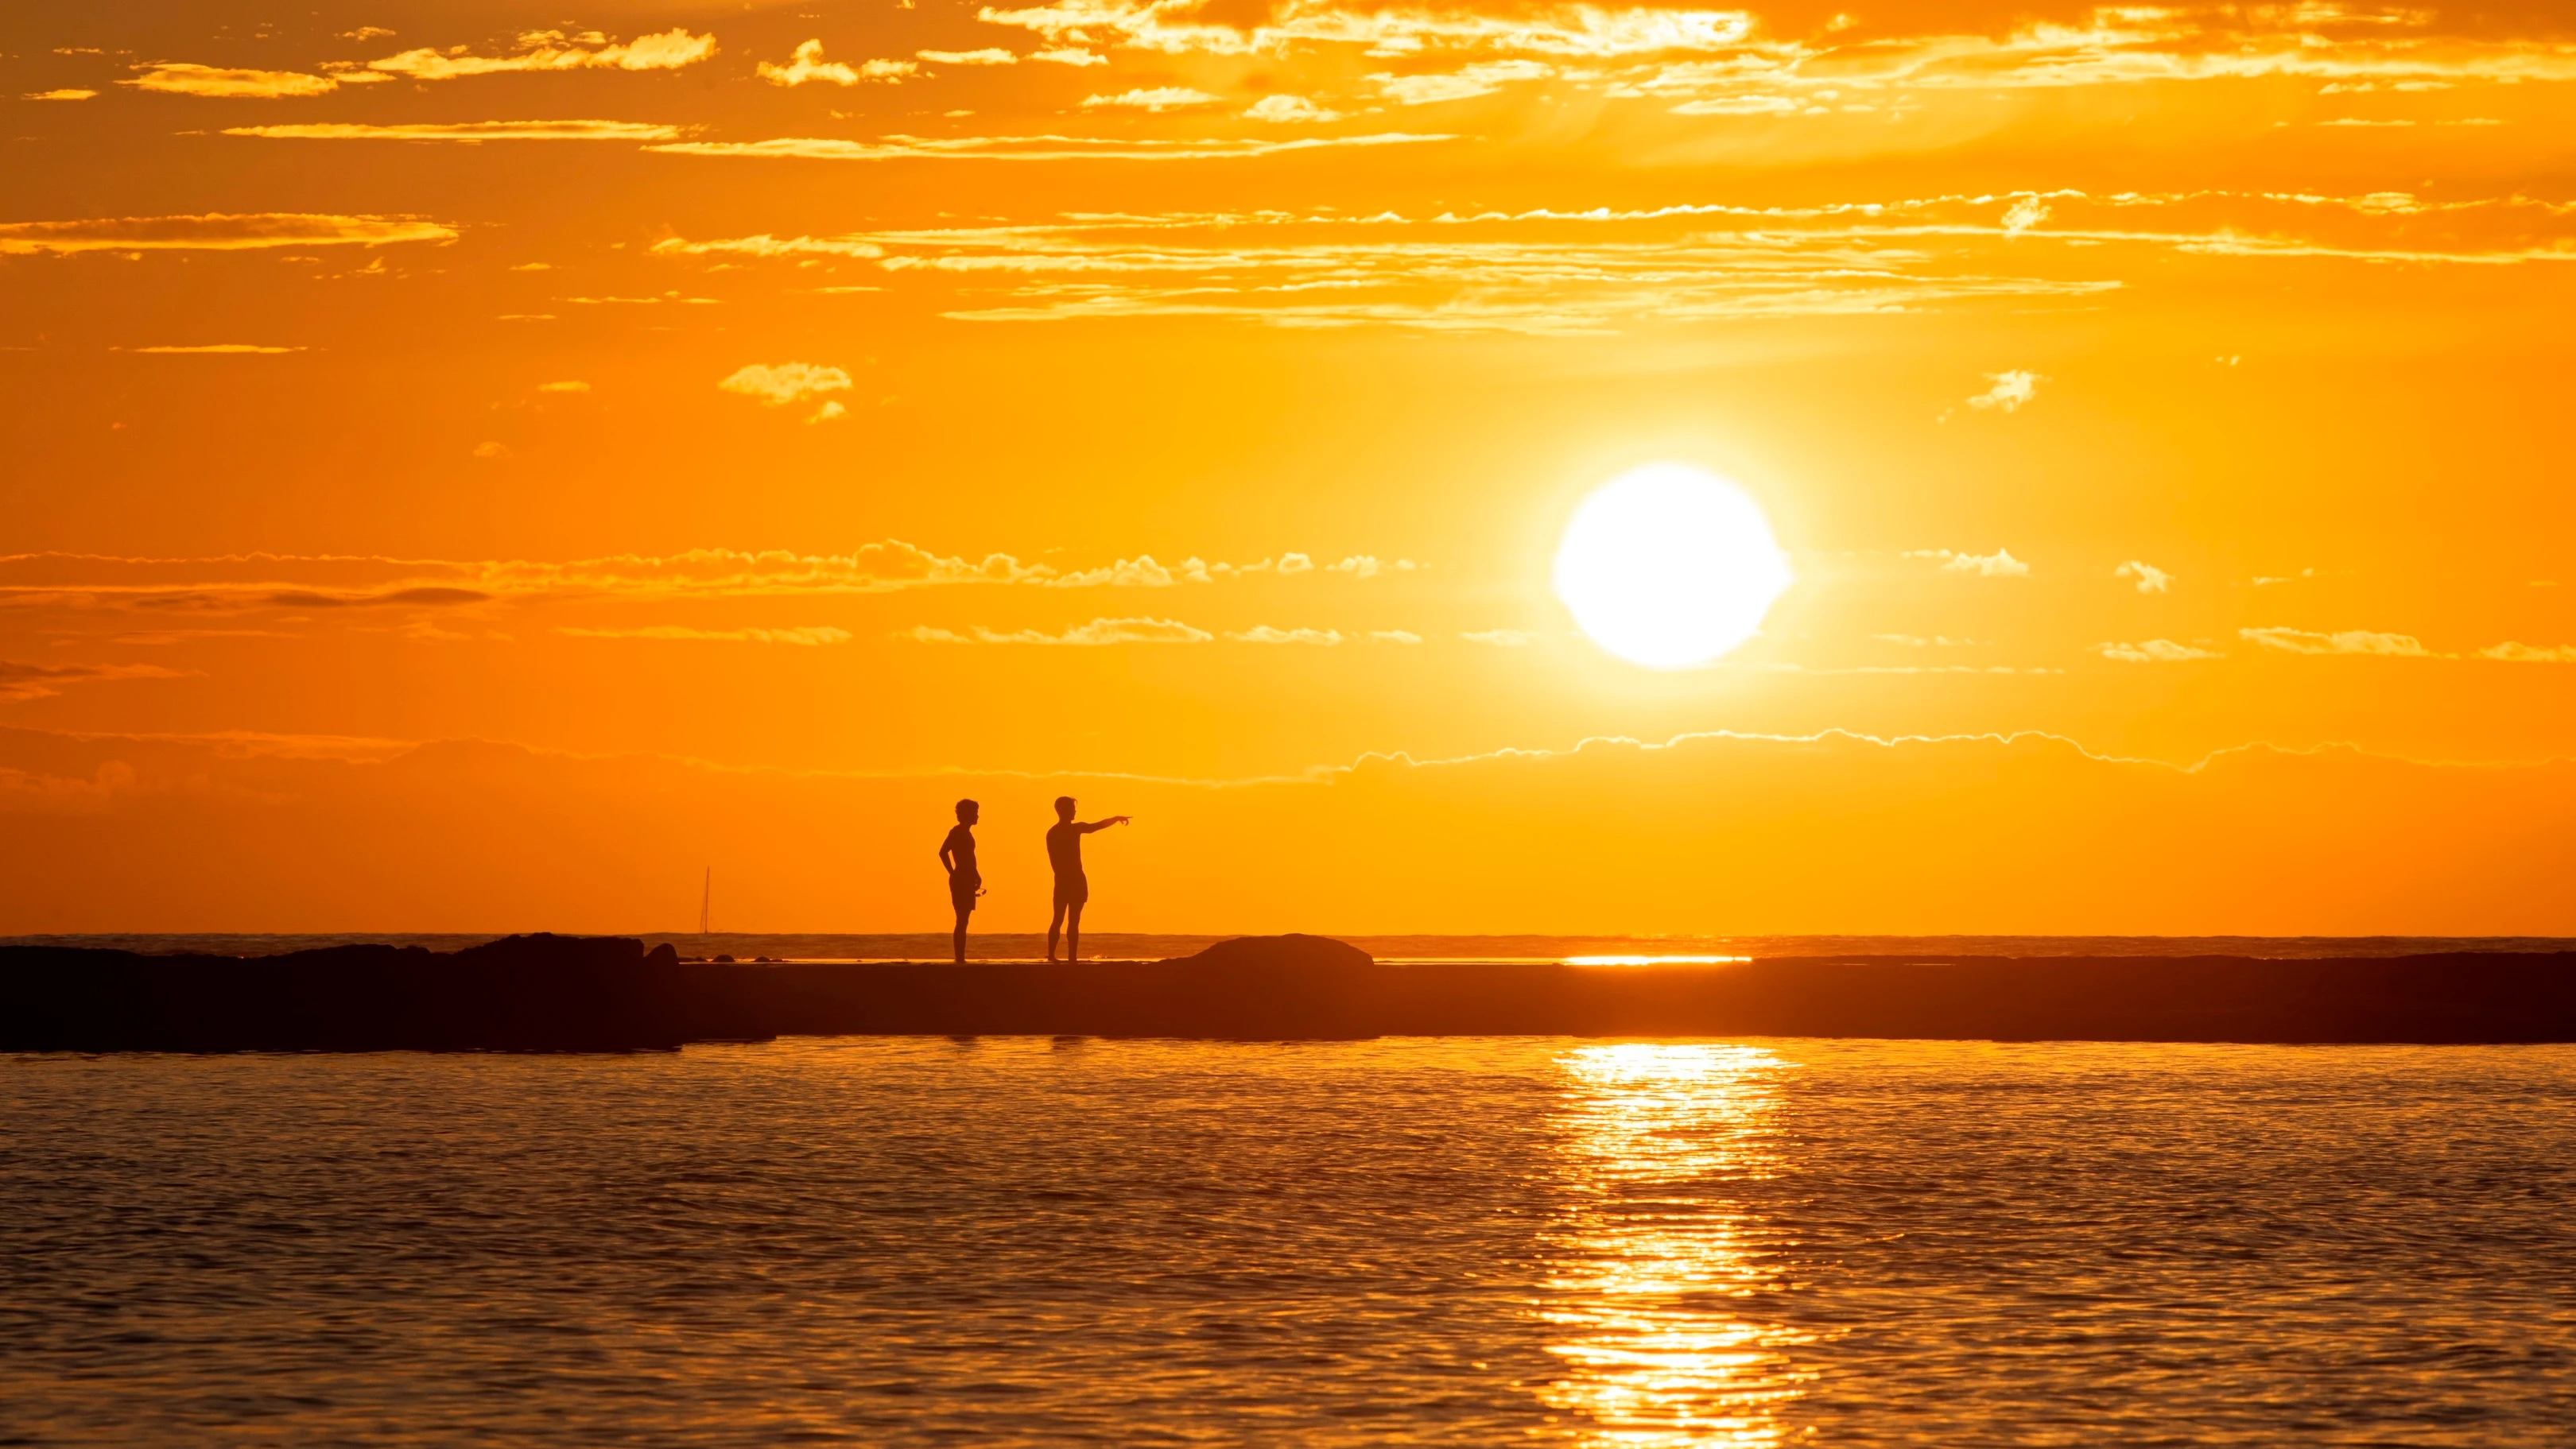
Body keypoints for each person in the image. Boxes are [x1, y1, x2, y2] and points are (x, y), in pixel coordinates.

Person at [1045, 796, 1129, 963]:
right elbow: (1095, 827)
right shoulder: (1072, 829)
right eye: (1072, 808)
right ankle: (1070, 957)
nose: (1075, 811)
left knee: (1060, 918)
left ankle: (1056, 955)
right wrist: (1116, 819)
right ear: (1065, 810)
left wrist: (1115, 819)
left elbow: (1094, 827)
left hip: (1063, 880)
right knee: (1070, 919)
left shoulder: (1053, 832)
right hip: (1073, 879)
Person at [938, 799, 982, 966]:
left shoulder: (967, 833)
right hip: (961, 880)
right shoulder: (957, 832)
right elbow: (943, 852)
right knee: (962, 919)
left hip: (967, 878)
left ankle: (961, 957)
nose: (977, 816)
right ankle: (960, 958)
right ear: (967, 814)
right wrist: (953, 873)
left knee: (964, 919)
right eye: (975, 813)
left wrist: (977, 874)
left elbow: (970, 858)